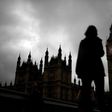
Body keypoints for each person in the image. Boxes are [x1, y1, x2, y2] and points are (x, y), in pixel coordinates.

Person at [75, 25, 105, 112]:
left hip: (87, 70)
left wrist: (78, 71)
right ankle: (101, 108)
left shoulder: (84, 42)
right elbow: (102, 53)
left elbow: (79, 56)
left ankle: (87, 108)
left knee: (86, 93)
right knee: (100, 94)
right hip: (97, 69)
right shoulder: (97, 41)